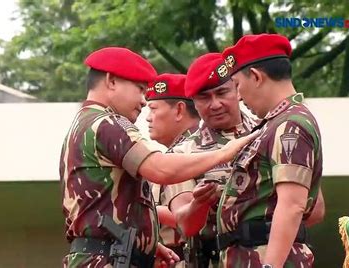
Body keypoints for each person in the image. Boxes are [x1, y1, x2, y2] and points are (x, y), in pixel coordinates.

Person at [59, 47, 259, 268]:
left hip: (108, 255)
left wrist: (146, 244)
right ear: (111, 81)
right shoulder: (107, 123)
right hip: (107, 259)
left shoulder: (85, 123)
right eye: (140, 89)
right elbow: (161, 169)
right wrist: (224, 153)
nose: (144, 101)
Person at [215, 34, 324, 268]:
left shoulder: (290, 125)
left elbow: (293, 205)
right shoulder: (276, 123)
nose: (239, 96)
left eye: (237, 86)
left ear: (255, 76)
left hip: (267, 258)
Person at [165, 53, 258, 267]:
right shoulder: (183, 154)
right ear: (194, 103)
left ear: (237, 89)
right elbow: (185, 225)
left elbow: (312, 210)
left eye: (222, 92)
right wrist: (199, 204)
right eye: (204, 97)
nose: (215, 104)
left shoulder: (270, 134)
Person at [145, 73, 201, 266]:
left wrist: (144, 210)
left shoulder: (183, 153)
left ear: (179, 110)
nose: (147, 118)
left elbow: (184, 217)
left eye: (153, 109)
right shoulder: (205, 146)